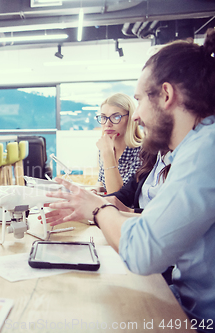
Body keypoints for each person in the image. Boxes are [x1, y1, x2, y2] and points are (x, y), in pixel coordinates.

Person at [45, 30, 215, 330]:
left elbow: (143, 252)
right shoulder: (192, 147)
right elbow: (149, 221)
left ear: (166, 95)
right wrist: (93, 204)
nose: (137, 116)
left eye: (139, 100)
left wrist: (98, 211)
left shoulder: (206, 149)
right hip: (182, 302)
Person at [96, 93, 143, 193]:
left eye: (116, 117)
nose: (107, 124)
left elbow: (118, 197)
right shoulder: (105, 147)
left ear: (130, 118)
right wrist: (95, 189)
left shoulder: (143, 151)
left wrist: (108, 155)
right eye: (104, 117)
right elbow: (102, 181)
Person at [105, 149, 170, 213]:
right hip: (137, 220)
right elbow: (126, 193)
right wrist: (99, 199)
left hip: (152, 221)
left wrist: (131, 211)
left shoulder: (176, 163)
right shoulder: (154, 157)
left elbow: (170, 212)